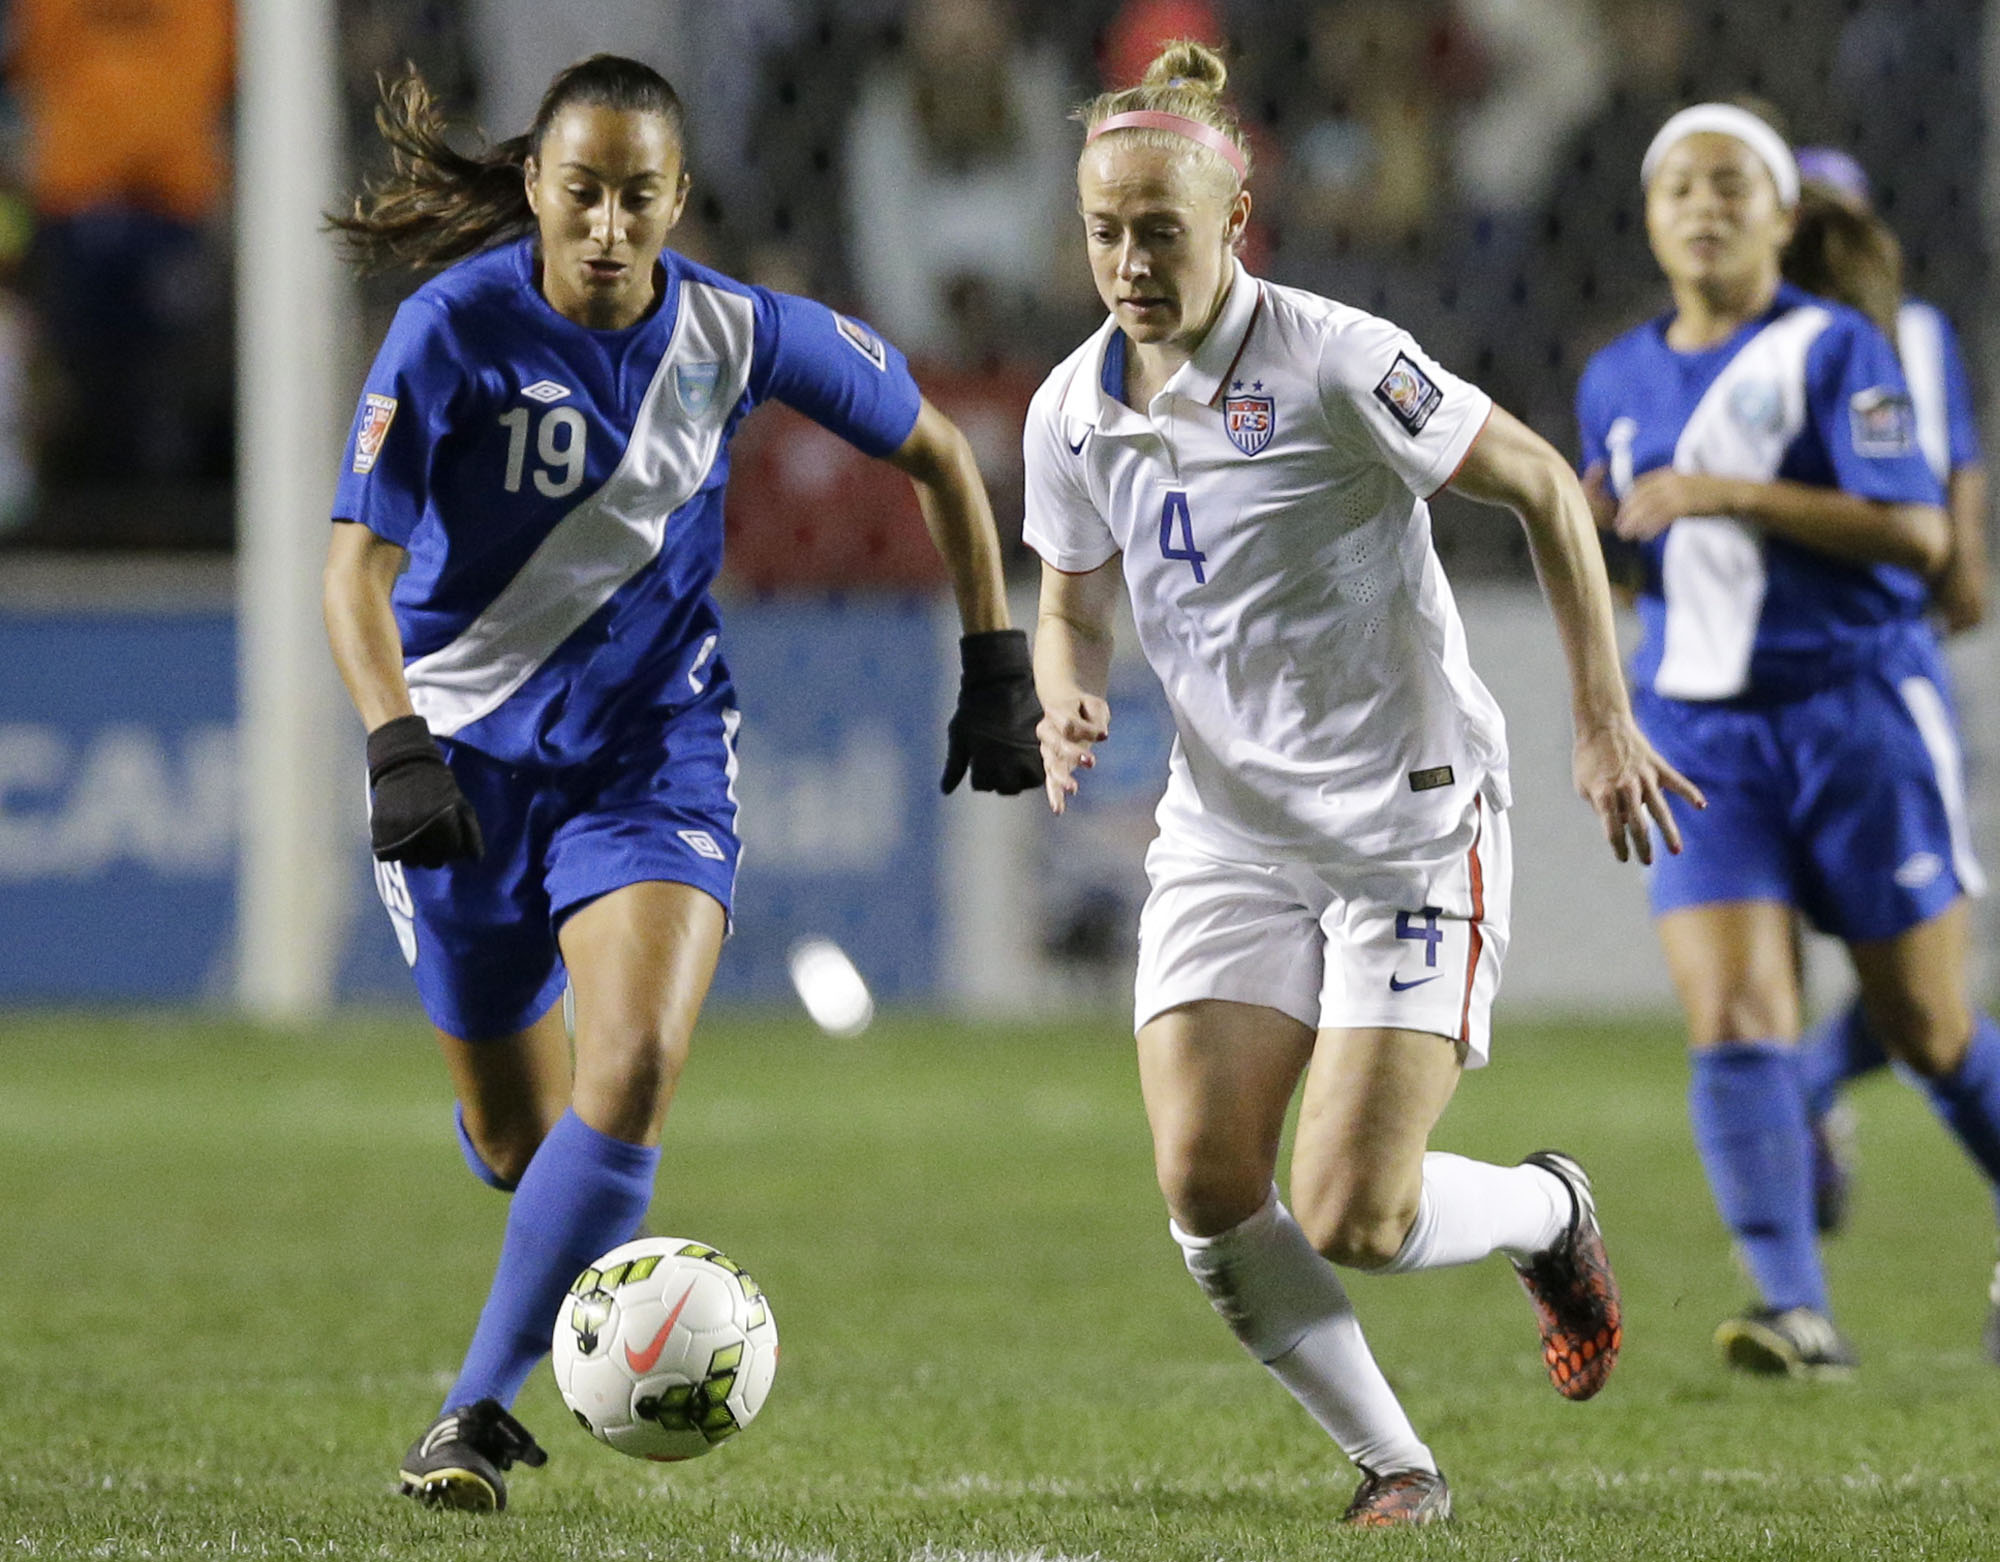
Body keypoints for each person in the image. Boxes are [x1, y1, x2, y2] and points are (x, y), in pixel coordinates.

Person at [322, 55, 1043, 1510]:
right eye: (579, 192)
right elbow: (355, 569)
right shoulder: (449, 330)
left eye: (635, 197)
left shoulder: (735, 329)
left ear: (676, 201)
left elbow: (943, 459)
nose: (605, 225)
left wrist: (995, 659)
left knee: (634, 1065)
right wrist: (395, 742)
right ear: (534, 185)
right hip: (454, 765)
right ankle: (559, 1244)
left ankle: (472, 1413)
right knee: (525, 1143)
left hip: (655, 752)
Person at [1028, 40, 1694, 1528]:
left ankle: (1547, 1208)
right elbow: (1072, 595)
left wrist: (1600, 716)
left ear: (1235, 222)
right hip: (1229, 835)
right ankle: (1398, 1463)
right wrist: (1066, 675)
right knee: (1207, 1179)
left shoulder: (1336, 357)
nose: (1128, 261)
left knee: (1357, 1211)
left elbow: (1535, 480)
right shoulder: (1071, 410)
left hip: (1407, 823)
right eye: (1102, 231)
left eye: (1160, 231)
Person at [1576, 103, 2000, 1378]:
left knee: (1926, 1029)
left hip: (1856, 713)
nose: (1701, 207)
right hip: (1698, 730)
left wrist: (1728, 493)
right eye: (1677, 190)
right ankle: (1791, 1305)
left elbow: (1919, 536)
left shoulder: (1837, 349)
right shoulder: (1614, 373)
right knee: (1733, 1011)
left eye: (1728, 188)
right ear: (1648, 219)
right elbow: (1639, 543)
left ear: (1778, 218)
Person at [1778, 159, 1998, 1337]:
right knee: (1767, 975)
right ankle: (1789, 1285)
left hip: (1879, 674)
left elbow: (1948, 478)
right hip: (1765, 690)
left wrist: (1955, 564)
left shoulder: (1905, 333)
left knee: (1922, 991)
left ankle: (1800, 1098)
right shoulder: (1715, 340)